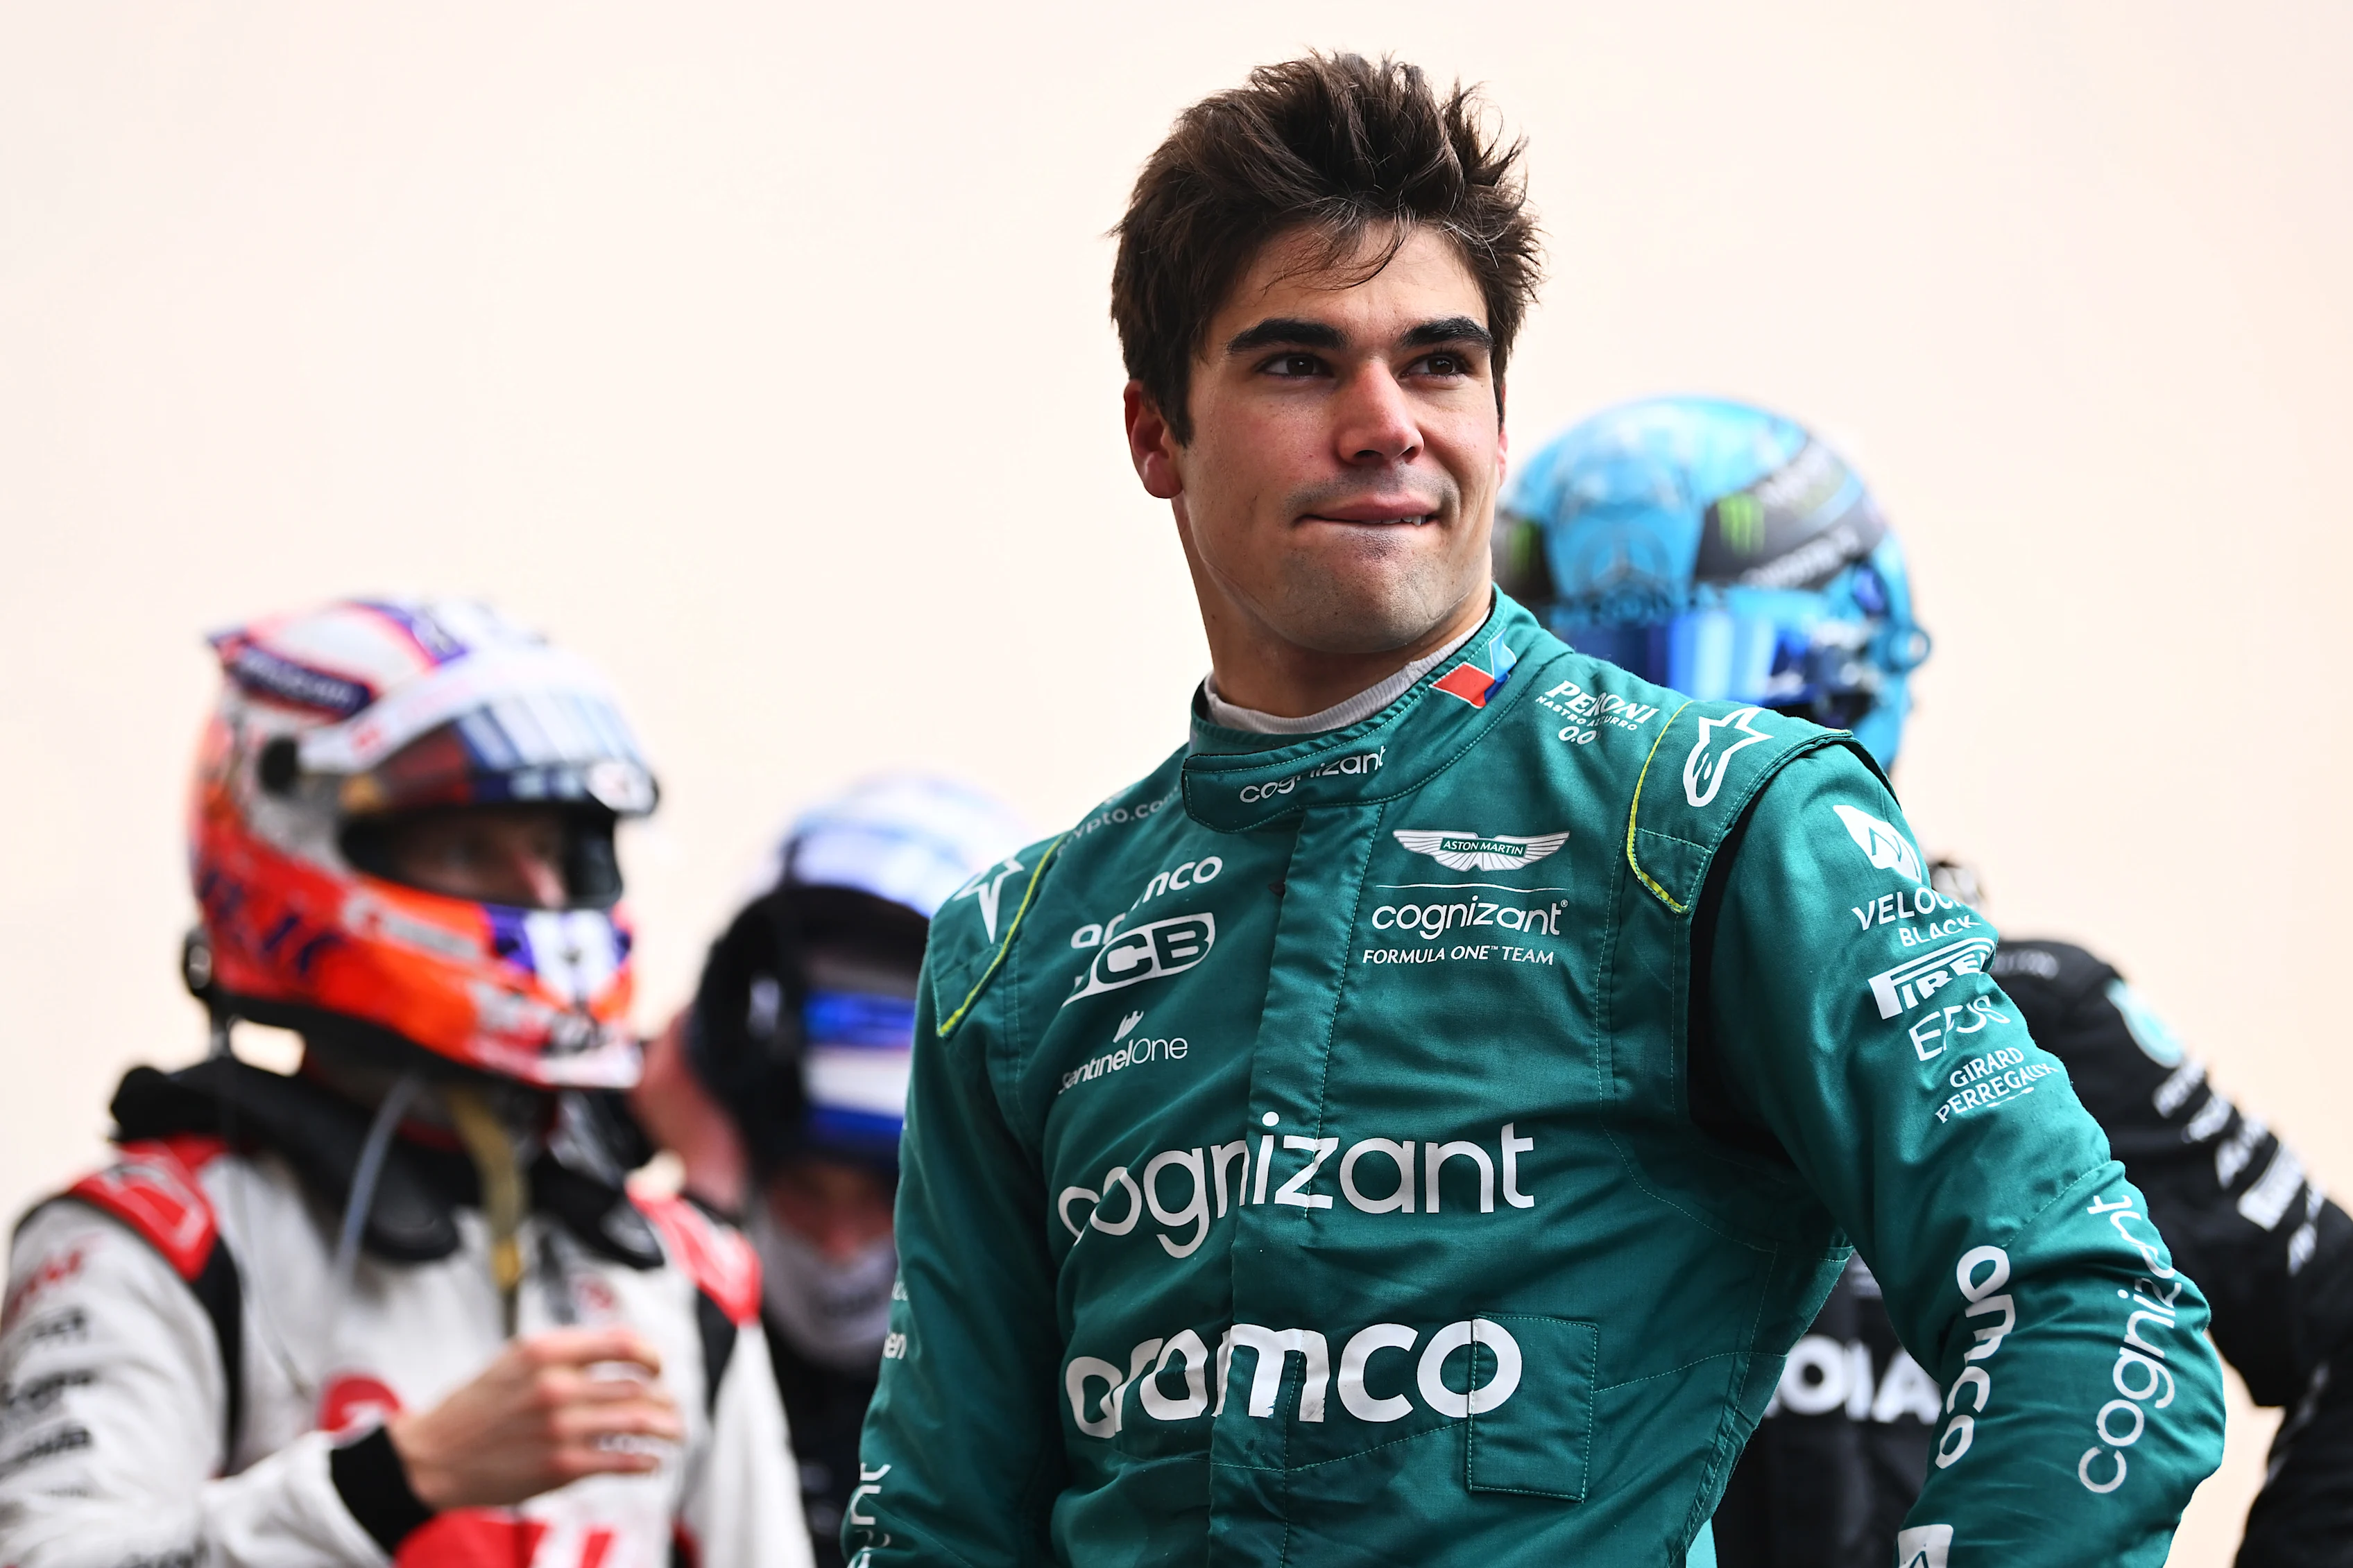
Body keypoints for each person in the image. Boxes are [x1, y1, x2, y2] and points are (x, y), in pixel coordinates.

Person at [849, 53, 2224, 1568]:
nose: (1386, 422)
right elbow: (936, 1525)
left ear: (1499, 421)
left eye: (1437, 362)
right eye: (1300, 362)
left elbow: (2094, 1315)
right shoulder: (1019, 947)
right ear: (1154, 432)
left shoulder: (1717, 824)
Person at [1494, 394, 2353, 1567]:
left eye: (1713, 691)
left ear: (1842, 682)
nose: (1671, 761)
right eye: (1605, 697)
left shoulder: (2031, 1020)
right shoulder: (1477, 1039)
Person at [0, 598, 807, 1566]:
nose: (542, 899)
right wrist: (393, 1483)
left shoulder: (676, 1280)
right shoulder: (157, 1242)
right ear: (298, 840)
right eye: (472, 848)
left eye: (552, 852)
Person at [630, 777, 1029, 1567]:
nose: (841, 1244)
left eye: (889, 1193)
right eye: (804, 1190)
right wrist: (701, 1206)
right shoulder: (651, 1308)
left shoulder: (1068, 1358)